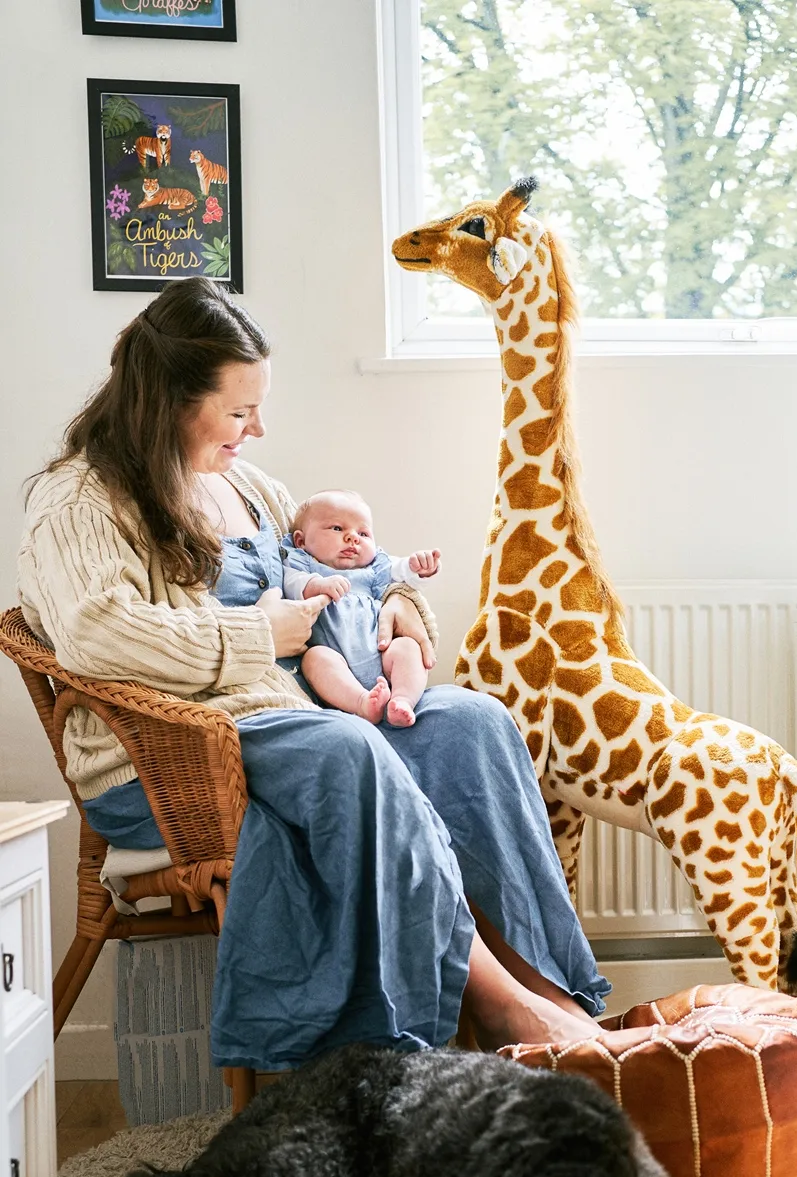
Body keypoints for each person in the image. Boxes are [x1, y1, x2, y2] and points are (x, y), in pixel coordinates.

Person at [18, 277, 609, 1073]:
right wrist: (257, 634)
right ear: (168, 403)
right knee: (348, 752)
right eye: (239, 412)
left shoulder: (250, 487)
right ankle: (480, 1011)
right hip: (166, 758)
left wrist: (399, 607)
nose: (257, 429)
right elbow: (97, 635)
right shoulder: (80, 499)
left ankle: (553, 992)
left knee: (472, 722)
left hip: (294, 714)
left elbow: (346, 569)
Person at [278, 488, 439, 728]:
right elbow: (290, 582)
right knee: (314, 658)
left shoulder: (373, 568)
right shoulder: (302, 563)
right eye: (337, 528)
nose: (353, 538)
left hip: (382, 655)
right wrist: (316, 585)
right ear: (301, 541)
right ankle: (362, 703)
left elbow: (402, 572)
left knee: (407, 646)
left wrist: (419, 567)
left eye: (363, 533)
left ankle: (402, 699)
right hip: (336, 664)